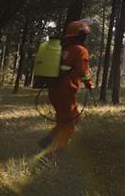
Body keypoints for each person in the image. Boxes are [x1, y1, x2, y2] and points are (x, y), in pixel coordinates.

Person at [40, 19, 94, 155]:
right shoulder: (80, 50)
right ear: (79, 35)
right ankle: (51, 154)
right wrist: (89, 84)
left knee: (72, 119)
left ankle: (47, 140)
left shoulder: (63, 48)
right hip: (65, 91)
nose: (85, 37)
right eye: (84, 35)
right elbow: (83, 71)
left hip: (55, 90)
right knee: (69, 126)